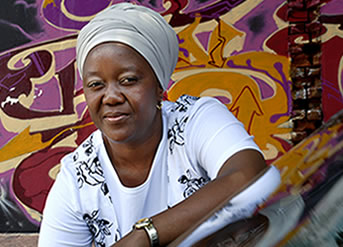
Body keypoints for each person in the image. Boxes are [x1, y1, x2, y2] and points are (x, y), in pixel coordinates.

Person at [38, 3, 280, 247]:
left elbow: (247, 175)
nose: (110, 97)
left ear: (159, 88)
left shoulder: (194, 121)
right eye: (96, 85)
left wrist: (144, 235)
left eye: (128, 80)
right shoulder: (78, 177)